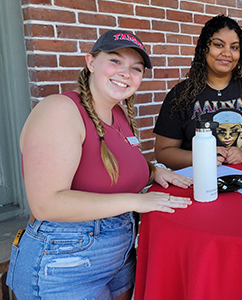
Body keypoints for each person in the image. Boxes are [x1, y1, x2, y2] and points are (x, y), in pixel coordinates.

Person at [6, 30, 193, 300]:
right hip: (64, 260)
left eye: (135, 68)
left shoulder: (118, 112)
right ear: (91, 62)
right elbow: (46, 204)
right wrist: (136, 202)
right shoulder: (59, 110)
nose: (125, 73)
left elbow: (109, 167)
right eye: (115, 61)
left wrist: (155, 171)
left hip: (118, 255)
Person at [154, 15, 242, 170]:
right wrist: (203, 156)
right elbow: (163, 153)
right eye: (219, 45)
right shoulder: (181, 94)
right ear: (205, 48)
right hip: (198, 182)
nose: (227, 53)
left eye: (234, 47)